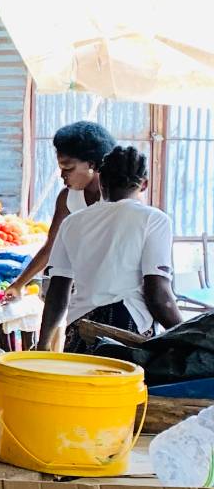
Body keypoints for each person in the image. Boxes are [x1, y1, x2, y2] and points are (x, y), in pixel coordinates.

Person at [39, 145, 181, 352]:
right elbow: (158, 294)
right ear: (144, 184)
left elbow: (58, 291)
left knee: (78, 384)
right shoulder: (154, 219)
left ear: (102, 181)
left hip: (80, 327)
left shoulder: (72, 223)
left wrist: (43, 345)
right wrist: (185, 336)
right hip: (127, 325)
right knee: (122, 385)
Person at [8, 120, 116, 292]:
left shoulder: (120, 198)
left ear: (92, 165)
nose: (62, 175)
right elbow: (52, 246)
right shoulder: (68, 198)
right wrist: (18, 285)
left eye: (68, 168)